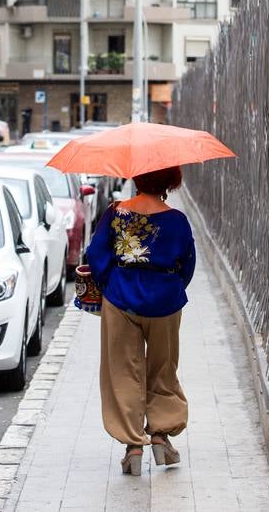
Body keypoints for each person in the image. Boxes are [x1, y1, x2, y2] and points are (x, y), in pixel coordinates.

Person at [86, 165, 196, 477]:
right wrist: (171, 287)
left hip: (121, 299)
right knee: (163, 368)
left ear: (137, 179)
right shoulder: (177, 220)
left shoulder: (116, 213)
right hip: (165, 300)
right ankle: (160, 436)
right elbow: (188, 261)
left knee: (122, 370)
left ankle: (133, 445)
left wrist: (113, 282)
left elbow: (96, 254)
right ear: (170, 182)